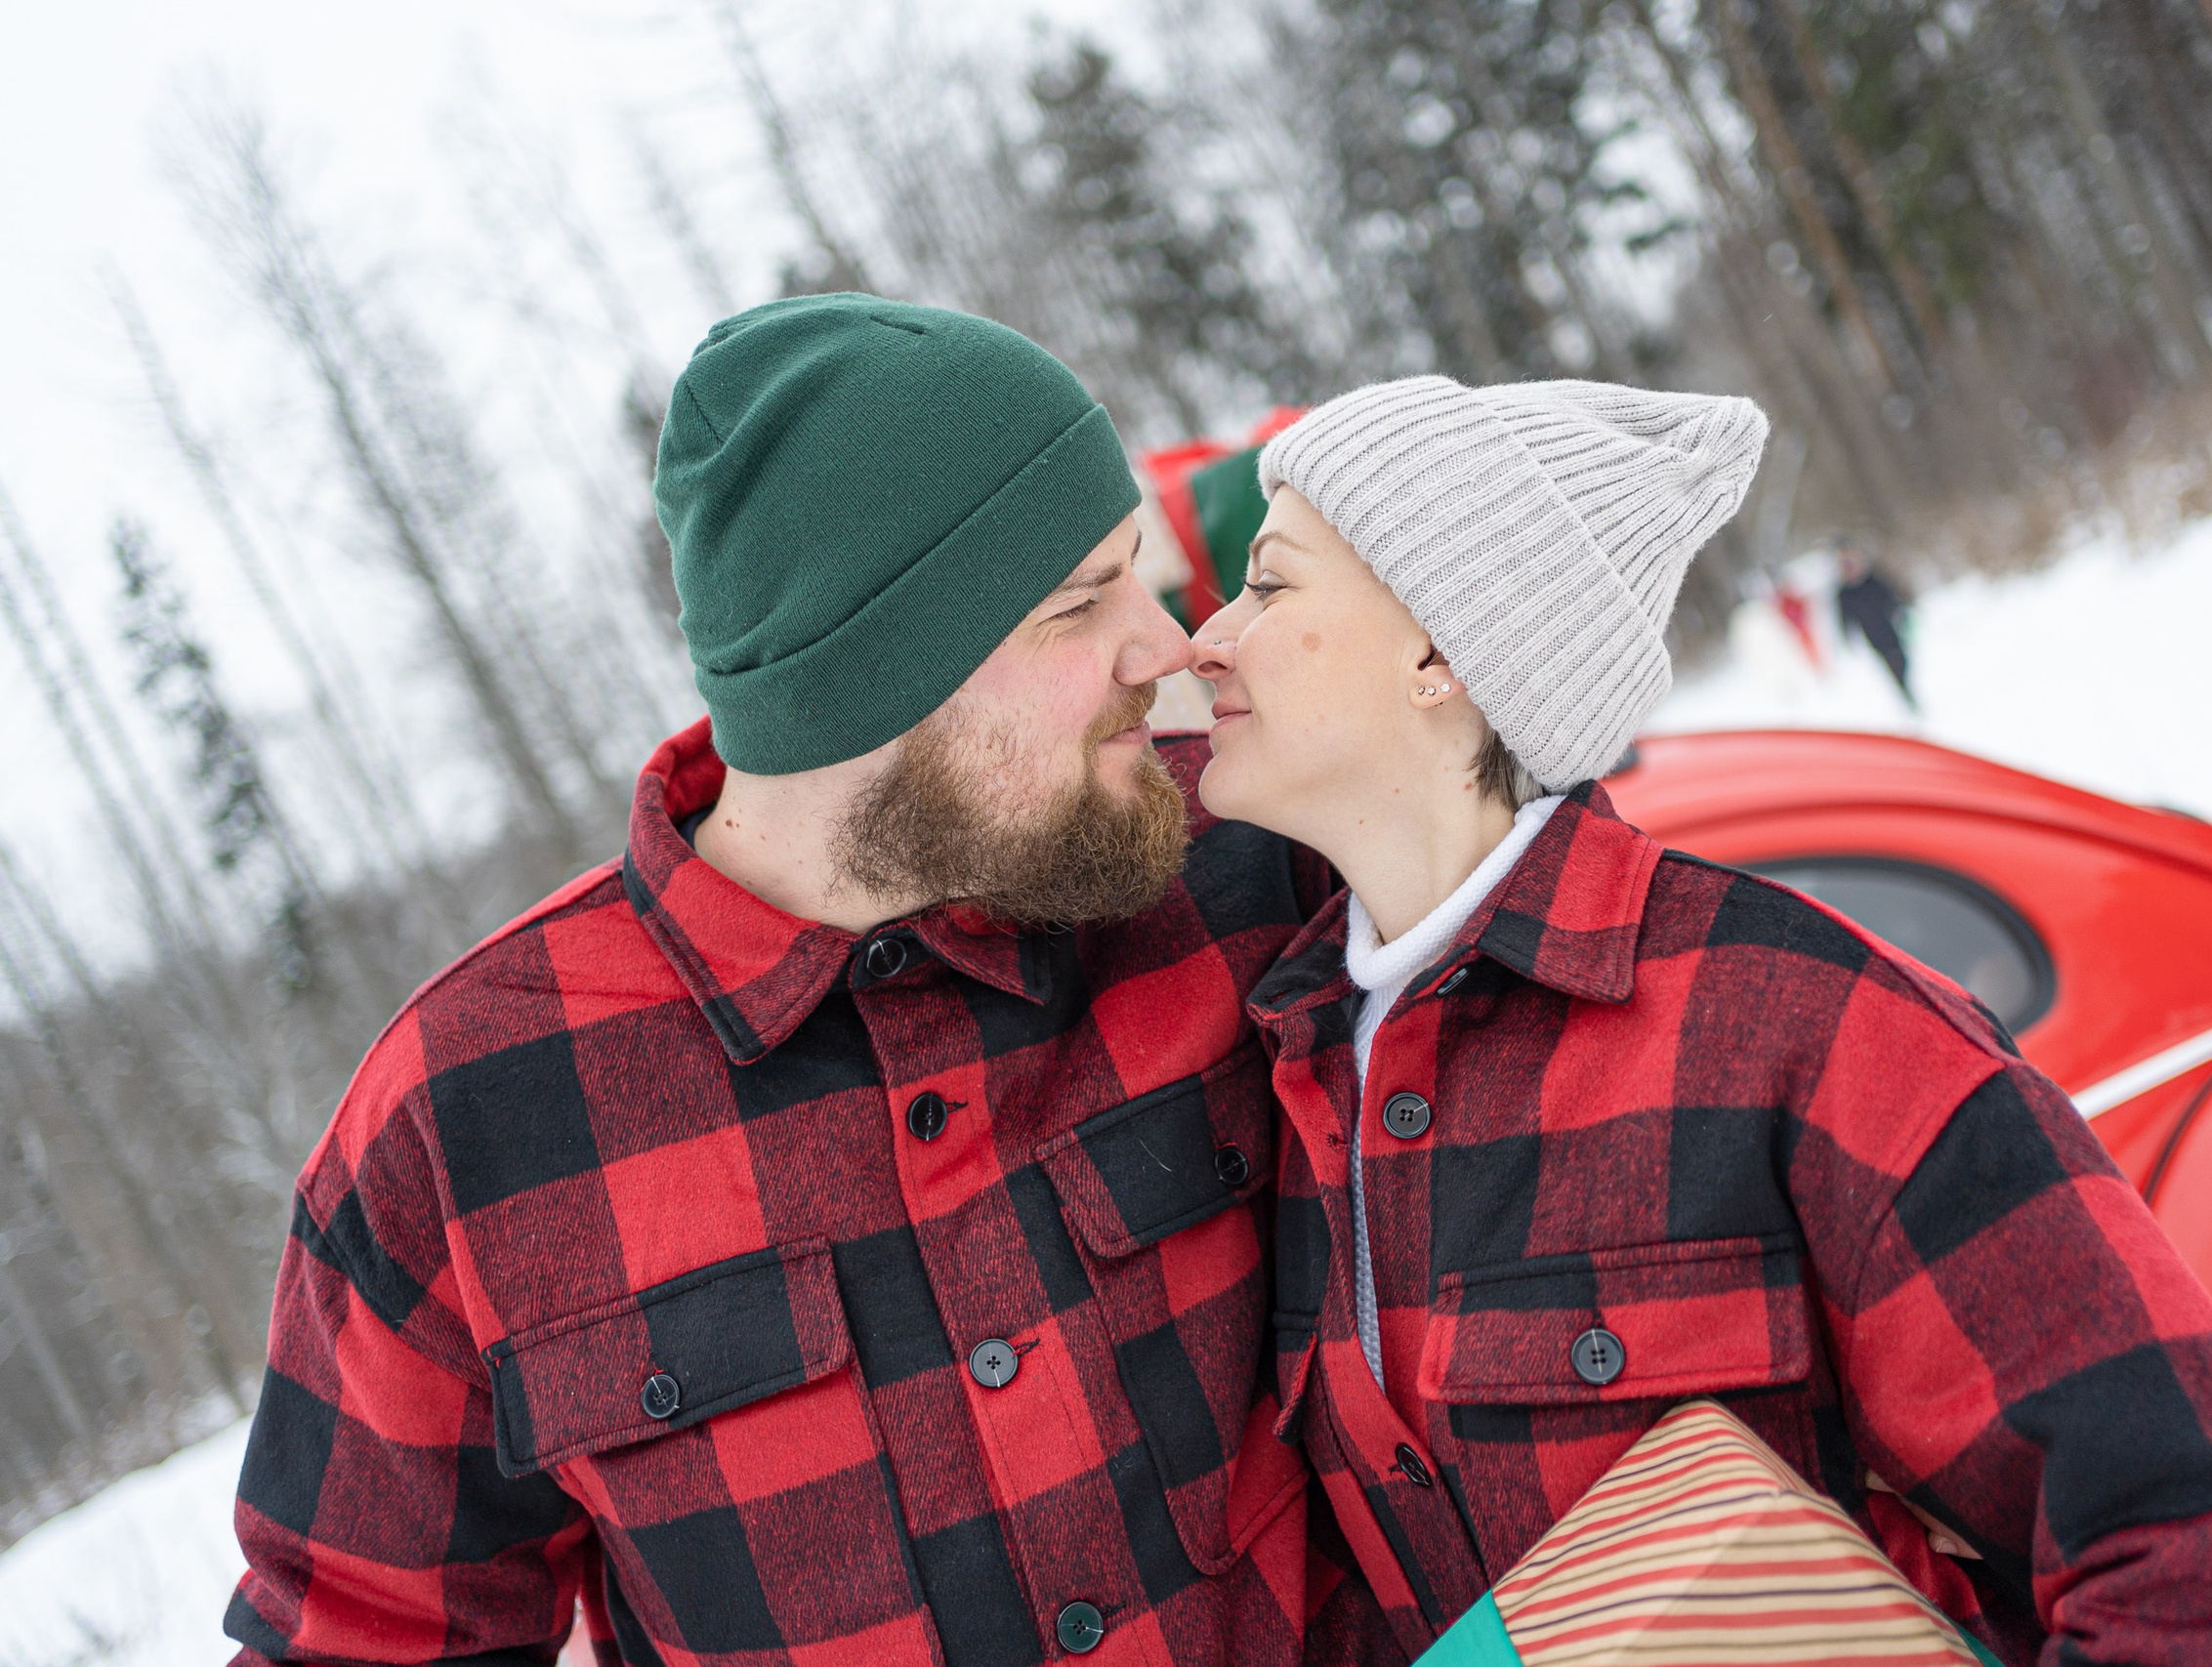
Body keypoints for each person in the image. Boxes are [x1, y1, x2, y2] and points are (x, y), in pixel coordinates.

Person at [222, 296, 1391, 1667]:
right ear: (872, 680)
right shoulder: (463, 1124)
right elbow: (360, 1641)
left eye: (1134, 569)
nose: (1165, 642)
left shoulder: (1248, 868)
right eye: (1084, 601)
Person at [1183, 374, 2212, 1664]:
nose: (1206, 637)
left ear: (1440, 653)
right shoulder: (1301, 1064)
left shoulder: (1801, 1019)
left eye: (1271, 584)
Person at [1837, 536, 1917, 708]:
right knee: (1891, 663)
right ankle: (1905, 694)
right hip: (1873, 637)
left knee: (1902, 660)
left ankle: (1906, 687)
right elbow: (1845, 618)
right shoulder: (1845, 594)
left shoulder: (1872, 581)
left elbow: (1891, 595)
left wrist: (1901, 610)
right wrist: (1847, 637)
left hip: (1890, 629)